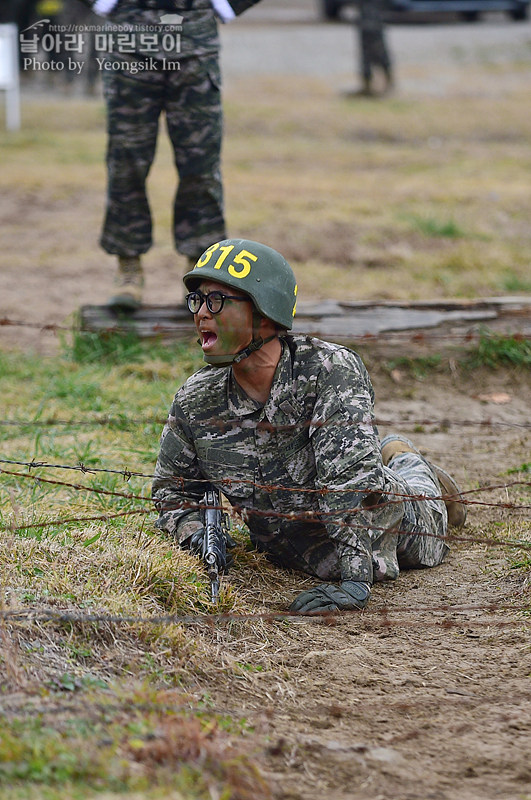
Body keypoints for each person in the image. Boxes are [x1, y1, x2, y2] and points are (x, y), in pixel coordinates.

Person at [152, 239, 466, 613]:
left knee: (426, 505)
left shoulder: (329, 371)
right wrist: (201, 538)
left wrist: (355, 580)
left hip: (391, 530)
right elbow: (173, 493)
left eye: (217, 301)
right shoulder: (196, 399)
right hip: (288, 551)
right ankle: (393, 455)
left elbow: (351, 484)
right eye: (197, 301)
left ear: (265, 313)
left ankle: (411, 463)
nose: (202, 313)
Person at [78, 0, 262, 310]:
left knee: (200, 166)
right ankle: (128, 268)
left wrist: (226, 4)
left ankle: (203, 271)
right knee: (127, 163)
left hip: (194, 42)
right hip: (130, 40)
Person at [354, 0, 393, 97]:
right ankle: (368, 85)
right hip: (369, 20)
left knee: (378, 52)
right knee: (367, 54)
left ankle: (387, 83)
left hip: (373, 21)